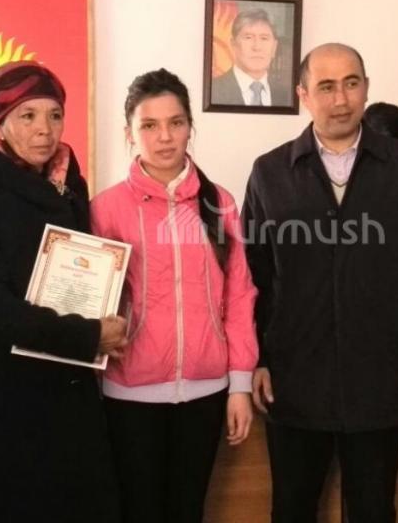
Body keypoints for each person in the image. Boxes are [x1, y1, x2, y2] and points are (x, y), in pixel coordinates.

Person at [242, 43, 398, 523]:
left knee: (374, 509)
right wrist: (255, 359)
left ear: (366, 88)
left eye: (351, 84)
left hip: (378, 376)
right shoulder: (271, 171)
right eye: (326, 87)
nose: (340, 99)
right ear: (303, 95)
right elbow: (253, 278)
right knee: (292, 509)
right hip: (293, 378)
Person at [0, 61, 124, 522]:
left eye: (55, 115)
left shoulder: (68, 182)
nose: (44, 130)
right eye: (28, 115)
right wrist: (90, 336)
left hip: (63, 388)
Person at [90, 68, 258, 523]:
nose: (164, 137)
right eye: (149, 125)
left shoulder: (219, 203)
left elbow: (239, 295)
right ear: (129, 133)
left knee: (188, 511)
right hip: (130, 393)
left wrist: (240, 385)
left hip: (207, 390)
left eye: (176, 122)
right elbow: (91, 301)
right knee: (138, 512)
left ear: (190, 127)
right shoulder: (105, 209)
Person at [211, 8, 292, 106]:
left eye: (264, 38)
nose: (257, 47)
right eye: (248, 37)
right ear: (233, 44)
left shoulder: (287, 95)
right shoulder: (214, 91)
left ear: (274, 47)